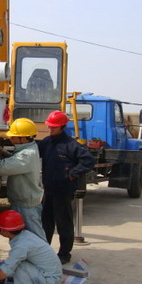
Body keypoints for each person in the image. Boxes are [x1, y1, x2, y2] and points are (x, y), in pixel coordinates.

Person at [0, 118, 47, 241]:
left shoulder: (26, 155)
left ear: (24, 138)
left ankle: (43, 254)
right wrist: (4, 152)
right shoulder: (30, 147)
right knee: (22, 238)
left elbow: (1, 168)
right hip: (24, 201)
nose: (10, 139)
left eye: (14, 136)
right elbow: (18, 162)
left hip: (26, 206)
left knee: (35, 238)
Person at [37, 111, 95, 264]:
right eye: (49, 126)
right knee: (46, 222)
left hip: (63, 190)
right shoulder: (47, 142)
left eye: (53, 127)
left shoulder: (71, 145)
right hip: (49, 189)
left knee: (64, 223)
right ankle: (44, 251)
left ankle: (64, 254)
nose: (50, 129)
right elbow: (33, 150)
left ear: (62, 127)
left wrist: (73, 174)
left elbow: (88, 160)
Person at [0, 210, 62, 284]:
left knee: (19, 265)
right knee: (17, 263)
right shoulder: (25, 235)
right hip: (52, 278)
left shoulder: (21, 246)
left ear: (5, 231)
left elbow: (6, 270)